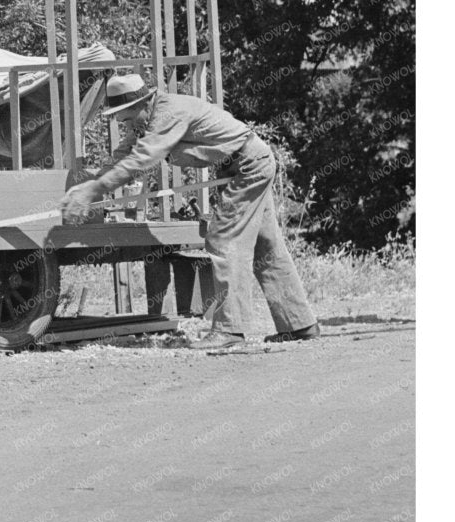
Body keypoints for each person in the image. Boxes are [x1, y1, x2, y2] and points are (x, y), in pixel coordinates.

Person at [63, 73, 319, 353]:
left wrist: (94, 191)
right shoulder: (144, 120)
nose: (121, 124)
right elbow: (124, 156)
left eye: (122, 117)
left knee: (224, 240)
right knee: (267, 247)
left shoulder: (167, 113)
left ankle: (229, 330)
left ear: (141, 105)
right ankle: (299, 324)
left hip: (248, 166)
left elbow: (141, 159)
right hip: (244, 164)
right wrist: (91, 185)